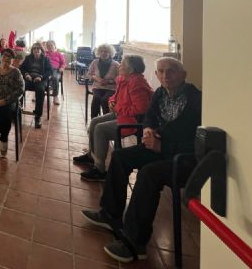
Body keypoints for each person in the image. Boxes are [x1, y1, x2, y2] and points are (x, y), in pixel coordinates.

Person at [81, 58, 201, 263]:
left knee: (149, 173)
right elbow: (149, 117)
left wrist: (163, 146)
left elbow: (198, 142)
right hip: (158, 147)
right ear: (156, 75)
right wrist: (147, 130)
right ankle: (110, 214)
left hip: (183, 158)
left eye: (171, 71)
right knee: (120, 157)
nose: (166, 75)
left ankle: (135, 242)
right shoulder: (161, 93)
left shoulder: (196, 100)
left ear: (183, 74)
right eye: (161, 71)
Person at [74, 55, 153, 182]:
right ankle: (91, 156)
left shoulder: (137, 83)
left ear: (131, 70)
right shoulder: (123, 78)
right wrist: (111, 102)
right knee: (94, 122)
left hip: (131, 121)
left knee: (100, 129)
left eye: (123, 64)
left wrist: (117, 108)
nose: (119, 66)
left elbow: (140, 109)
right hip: (120, 113)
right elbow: (115, 96)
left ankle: (99, 170)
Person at [19, 42, 53, 128]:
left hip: (40, 80)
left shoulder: (46, 59)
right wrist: (26, 74)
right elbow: (21, 68)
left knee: (40, 90)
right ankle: (18, 110)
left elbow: (50, 71)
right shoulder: (28, 58)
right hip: (29, 78)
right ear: (32, 50)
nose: (36, 50)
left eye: (38, 48)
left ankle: (38, 116)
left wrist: (41, 77)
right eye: (34, 48)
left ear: (41, 50)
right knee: (20, 86)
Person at [87, 44, 120, 119]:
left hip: (111, 88)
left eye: (106, 52)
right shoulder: (95, 62)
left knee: (105, 100)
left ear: (110, 53)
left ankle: (105, 119)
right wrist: (96, 79)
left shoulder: (116, 64)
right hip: (97, 87)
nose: (103, 53)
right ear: (99, 52)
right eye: (101, 51)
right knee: (96, 98)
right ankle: (93, 120)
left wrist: (109, 81)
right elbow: (88, 74)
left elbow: (120, 78)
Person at [45, 40, 66, 106]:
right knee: (41, 76)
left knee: (55, 78)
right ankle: (39, 94)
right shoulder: (45, 53)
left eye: (51, 45)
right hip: (46, 69)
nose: (50, 47)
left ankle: (55, 96)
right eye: (48, 46)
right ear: (47, 47)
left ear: (54, 46)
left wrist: (62, 68)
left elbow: (63, 63)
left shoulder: (59, 54)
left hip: (56, 70)